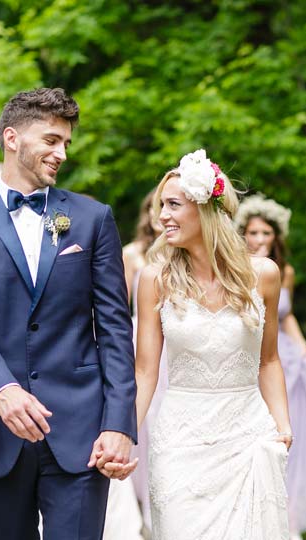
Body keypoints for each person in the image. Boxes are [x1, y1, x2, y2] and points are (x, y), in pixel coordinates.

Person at [0, 87, 137, 540]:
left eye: (65, 142)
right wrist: (2, 389)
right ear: (12, 138)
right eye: (51, 139)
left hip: (81, 430)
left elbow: (115, 330)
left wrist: (118, 424)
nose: (61, 152)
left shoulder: (92, 218)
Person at [134, 149, 292, 539]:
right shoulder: (155, 278)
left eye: (173, 205)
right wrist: (123, 434)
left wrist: (282, 424)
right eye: (160, 206)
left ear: (204, 209)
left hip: (247, 435)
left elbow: (269, 360)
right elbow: (144, 370)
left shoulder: (263, 275)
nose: (162, 217)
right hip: (180, 441)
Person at [235, 193, 306, 538]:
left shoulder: (286, 272)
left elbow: (286, 314)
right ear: (244, 235)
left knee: (287, 432)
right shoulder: (236, 267)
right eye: (253, 233)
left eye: (266, 233)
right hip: (250, 352)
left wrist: (303, 346)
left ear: (276, 237)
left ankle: (289, 515)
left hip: (284, 358)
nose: (260, 239)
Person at [121, 190, 167, 532]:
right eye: (159, 206)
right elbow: (119, 307)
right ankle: (141, 497)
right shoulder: (133, 255)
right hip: (142, 339)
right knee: (146, 423)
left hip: (176, 345)